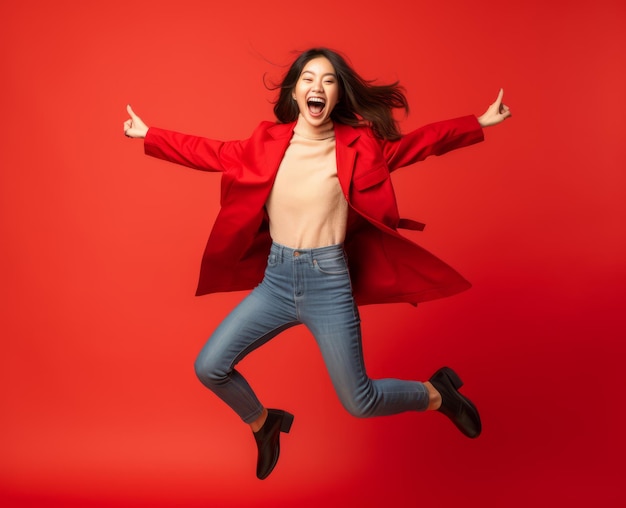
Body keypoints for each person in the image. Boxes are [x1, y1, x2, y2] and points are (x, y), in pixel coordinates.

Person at [123, 47, 511, 480]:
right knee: (209, 366)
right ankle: (263, 422)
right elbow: (208, 152)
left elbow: (421, 144)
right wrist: (149, 135)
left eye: (328, 81)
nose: (318, 87)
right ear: (294, 91)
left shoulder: (360, 147)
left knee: (358, 401)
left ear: (338, 95)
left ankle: (436, 394)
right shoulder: (264, 144)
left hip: (328, 284)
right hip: (275, 282)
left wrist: (477, 123)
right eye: (309, 79)